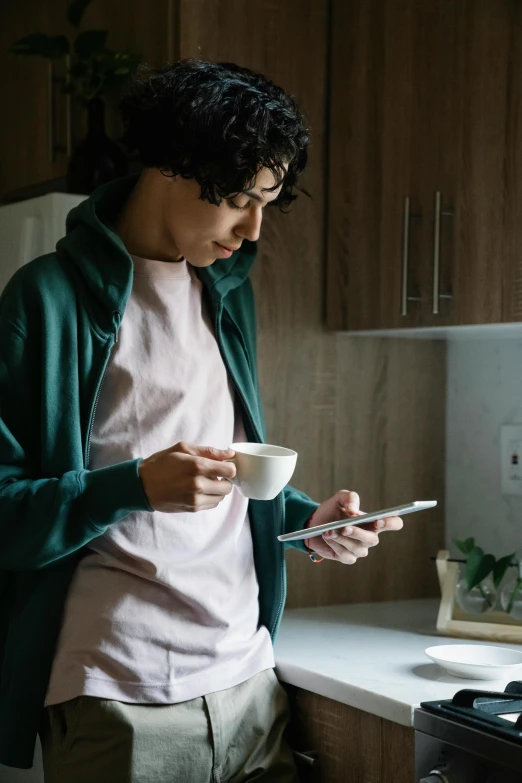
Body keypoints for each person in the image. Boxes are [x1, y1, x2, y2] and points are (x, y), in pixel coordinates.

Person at [0, 59, 403, 782]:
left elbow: (220, 482)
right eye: (242, 199)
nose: (252, 231)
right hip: (119, 697)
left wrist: (313, 523)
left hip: (250, 682)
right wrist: (129, 485)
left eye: (265, 204)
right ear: (173, 167)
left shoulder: (226, 294)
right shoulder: (45, 302)